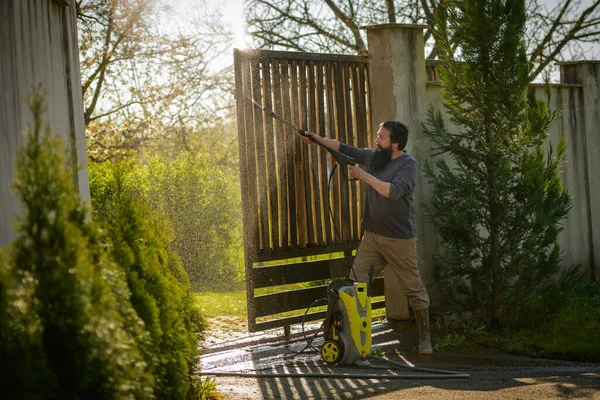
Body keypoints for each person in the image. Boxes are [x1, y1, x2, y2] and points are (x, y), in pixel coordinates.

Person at [300, 121, 433, 355]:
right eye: (377, 136)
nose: (376, 141)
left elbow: (392, 192)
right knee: (354, 283)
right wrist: (317, 139)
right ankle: (351, 340)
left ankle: (425, 339)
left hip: (399, 240)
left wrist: (363, 175)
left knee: (413, 288)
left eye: (381, 138)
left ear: (396, 143)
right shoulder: (374, 156)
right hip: (372, 236)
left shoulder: (408, 165)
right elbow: (345, 148)